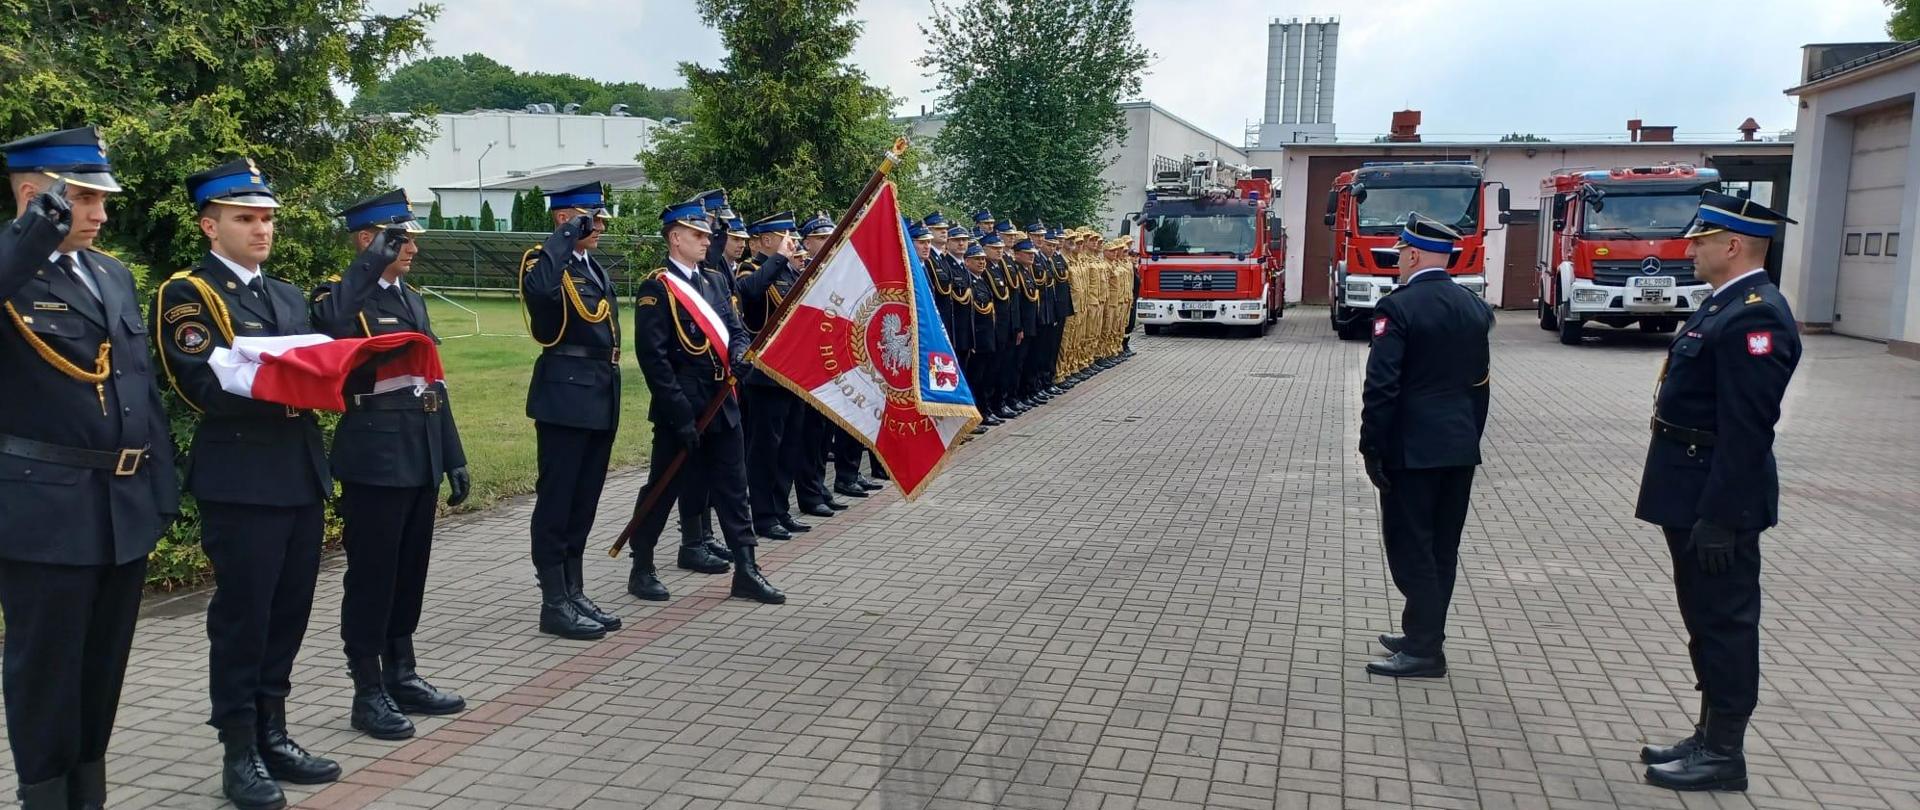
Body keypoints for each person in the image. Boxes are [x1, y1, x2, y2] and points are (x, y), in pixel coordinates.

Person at [0, 127, 180, 810]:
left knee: (103, 668)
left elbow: (139, 386)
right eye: (82, 198)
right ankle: (44, 796)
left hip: (120, 504)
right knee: (46, 671)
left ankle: (87, 796)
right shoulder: (10, 268)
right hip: (44, 509)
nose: (100, 214)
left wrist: (160, 488)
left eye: (102, 199)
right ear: (33, 195)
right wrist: (30, 234)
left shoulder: (109, 273)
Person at [155, 159, 339, 809]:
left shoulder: (285, 295)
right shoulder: (190, 294)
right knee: (244, 618)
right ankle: (239, 750)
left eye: (266, 218)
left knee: (288, 613)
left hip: (297, 470)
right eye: (245, 218)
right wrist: (290, 379)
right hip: (241, 477)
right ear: (211, 226)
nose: (262, 229)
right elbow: (201, 382)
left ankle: (273, 733)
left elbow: (313, 370)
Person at [1634, 192, 1801, 793]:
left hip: (1715, 496)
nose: (1689, 251)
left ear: (1732, 245)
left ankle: (1724, 753)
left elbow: (1747, 429)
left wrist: (1722, 516)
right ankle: (1707, 735)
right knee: (1703, 618)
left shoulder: (1756, 316)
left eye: (1700, 242)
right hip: (1690, 485)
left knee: (1726, 622)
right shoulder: (1724, 305)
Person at [308, 190, 469, 741]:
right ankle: (367, 689)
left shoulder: (411, 299)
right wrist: (371, 262)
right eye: (400, 239)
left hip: (420, 451)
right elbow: (329, 327)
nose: (413, 248)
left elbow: (432, 383)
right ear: (368, 241)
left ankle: (402, 672)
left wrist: (453, 456)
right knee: (373, 577)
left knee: (409, 573)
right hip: (374, 456)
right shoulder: (340, 295)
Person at [624, 198, 784, 605]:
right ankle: (642, 566)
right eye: (697, 234)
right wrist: (680, 414)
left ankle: (747, 569)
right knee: (663, 488)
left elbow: (736, 330)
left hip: (721, 403)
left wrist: (740, 354)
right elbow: (654, 359)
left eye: (706, 234)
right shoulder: (657, 288)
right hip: (683, 410)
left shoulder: (714, 281)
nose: (706, 240)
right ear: (675, 238)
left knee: (734, 489)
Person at [1357, 214, 1493, 680]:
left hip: (1411, 451)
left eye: (1400, 254)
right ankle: (1422, 632)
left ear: (1413, 254)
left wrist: (1372, 446)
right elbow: (1480, 385)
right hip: (1458, 448)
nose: (1398, 261)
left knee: (1410, 548)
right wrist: (1468, 437)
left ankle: (1424, 650)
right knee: (1441, 548)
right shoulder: (1474, 307)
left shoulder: (1398, 308)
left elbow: (1382, 386)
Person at [519, 182, 623, 641]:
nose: (599, 226)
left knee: (584, 502)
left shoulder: (589, 266)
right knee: (557, 501)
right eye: (589, 219)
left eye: (598, 219)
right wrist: (563, 237)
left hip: (599, 393)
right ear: (564, 219)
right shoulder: (543, 261)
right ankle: (553, 601)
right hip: (565, 397)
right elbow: (541, 293)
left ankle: (574, 590)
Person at [735, 211, 818, 540]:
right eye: (785, 236)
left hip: (792, 373)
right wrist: (780, 258)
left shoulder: (789, 272)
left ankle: (780, 509)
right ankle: (763, 515)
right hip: (765, 377)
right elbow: (752, 293)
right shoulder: (751, 269)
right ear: (767, 240)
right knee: (765, 451)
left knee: (789, 447)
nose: (792, 241)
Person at [959, 243, 999, 430]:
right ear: (967, 262)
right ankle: (975, 416)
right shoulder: (970, 282)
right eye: (977, 259)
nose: (982, 262)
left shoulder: (981, 280)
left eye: (983, 259)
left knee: (984, 378)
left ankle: (984, 411)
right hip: (977, 340)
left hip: (987, 339)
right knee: (974, 380)